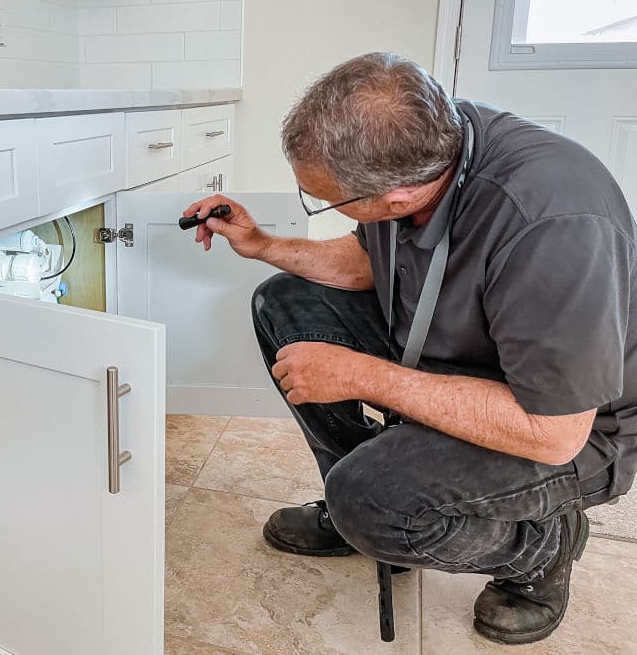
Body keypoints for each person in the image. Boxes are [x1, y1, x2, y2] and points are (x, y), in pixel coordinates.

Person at [182, 52, 636, 645]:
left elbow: (553, 433)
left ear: (396, 197)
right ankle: (368, 504)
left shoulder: (554, 225)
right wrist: (263, 244)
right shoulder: (432, 144)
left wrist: (363, 376)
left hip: (569, 428)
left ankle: (541, 549)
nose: (320, 205)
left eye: (323, 199)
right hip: (458, 361)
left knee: (368, 499)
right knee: (284, 302)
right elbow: (371, 260)